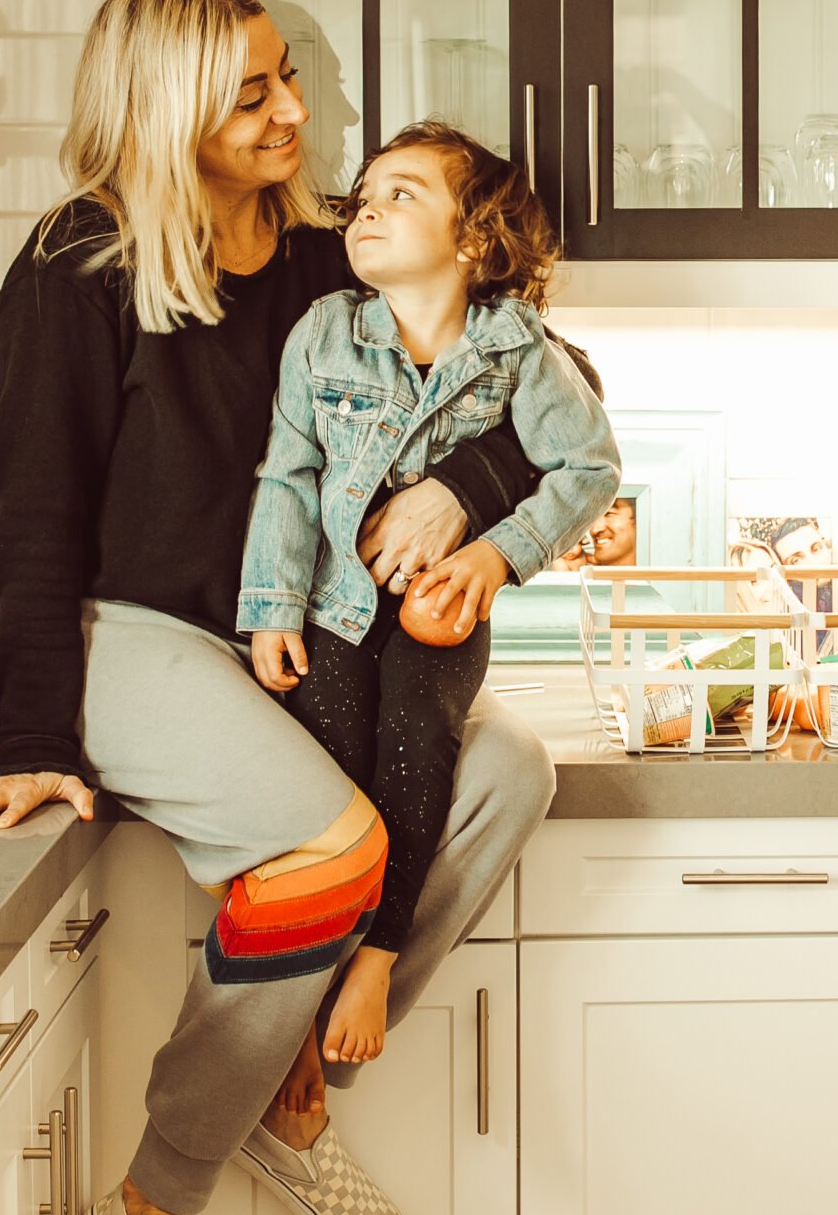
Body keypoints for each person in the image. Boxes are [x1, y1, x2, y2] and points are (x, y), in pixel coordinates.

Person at [0, 0, 565, 1215]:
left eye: (289, 78)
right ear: (167, 111)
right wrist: (28, 730)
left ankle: (290, 1081)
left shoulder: (341, 257)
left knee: (511, 773)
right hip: (134, 634)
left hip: (299, 631)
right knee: (331, 852)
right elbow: (29, 514)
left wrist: (464, 496)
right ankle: (154, 1193)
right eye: (256, 91)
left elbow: (541, 383)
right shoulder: (77, 271)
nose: (297, 110)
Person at [240, 120, 618, 1070]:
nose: (367, 208)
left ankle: (376, 956)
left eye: (400, 194)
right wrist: (274, 604)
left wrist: (498, 558)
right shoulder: (324, 333)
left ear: (475, 240)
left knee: (417, 747)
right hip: (332, 608)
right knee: (332, 786)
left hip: (444, 610)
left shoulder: (517, 349)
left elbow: (590, 465)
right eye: (363, 196)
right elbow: (286, 476)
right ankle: (304, 1000)